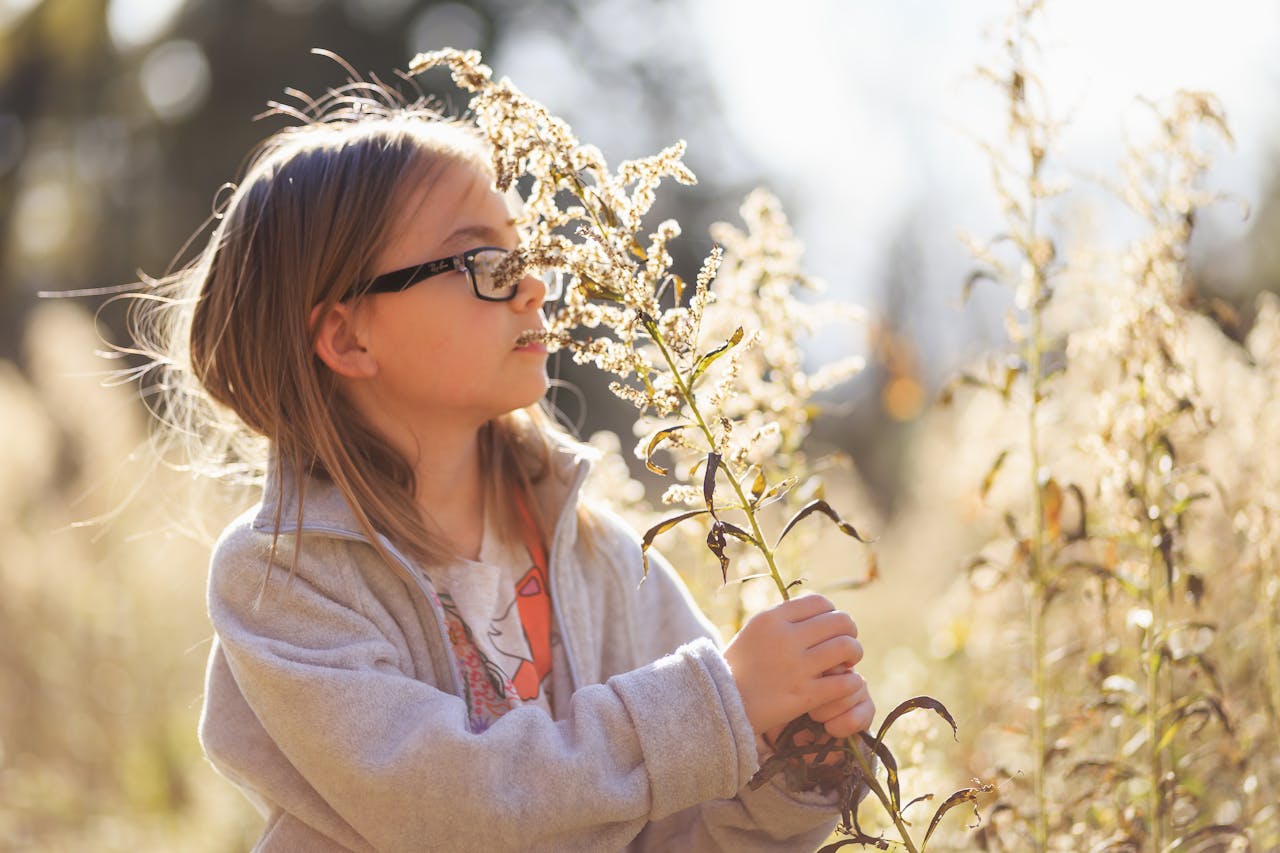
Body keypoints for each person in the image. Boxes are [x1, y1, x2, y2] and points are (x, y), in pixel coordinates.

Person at [138, 74, 875, 852]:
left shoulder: (600, 554)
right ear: (349, 337)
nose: (532, 285)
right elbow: (453, 806)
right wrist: (716, 703)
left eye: (527, 253)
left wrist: (787, 768)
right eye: (483, 262)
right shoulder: (284, 577)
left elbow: (682, 832)